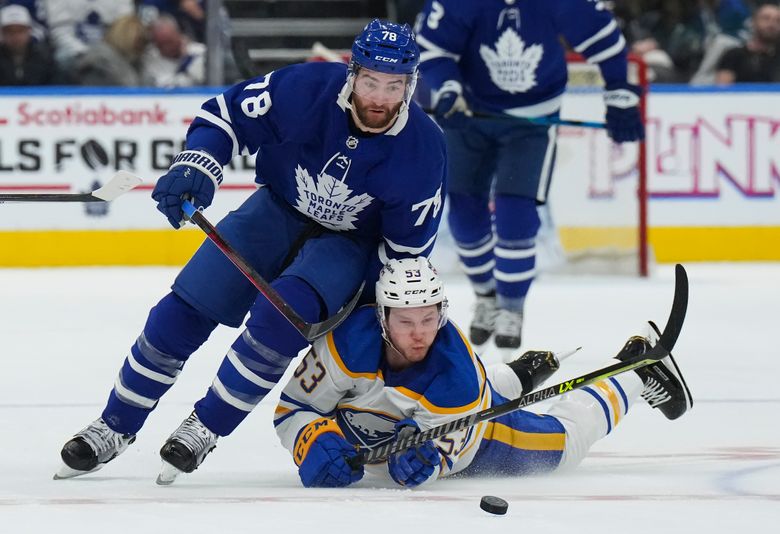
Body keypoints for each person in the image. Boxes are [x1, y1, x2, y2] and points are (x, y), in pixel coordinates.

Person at [55, 19, 447, 485]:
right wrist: (198, 162)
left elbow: (404, 254)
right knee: (182, 311)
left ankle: (206, 426)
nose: (380, 97)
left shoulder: (424, 150)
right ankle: (114, 426)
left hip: (349, 243)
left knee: (279, 321)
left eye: (393, 85)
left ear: (410, 84)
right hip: (276, 209)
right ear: (352, 74)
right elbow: (225, 114)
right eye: (370, 81)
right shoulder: (305, 88)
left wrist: (381, 317)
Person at [274, 257, 693, 488]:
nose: (419, 334)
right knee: (474, 389)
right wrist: (310, 440)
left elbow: (454, 452)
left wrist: (431, 462)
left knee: (567, 442)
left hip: (484, 438)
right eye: (405, 322)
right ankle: (518, 374)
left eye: (428, 319)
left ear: (442, 313)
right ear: (382, 319)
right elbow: (292, 409)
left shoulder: (456, 378)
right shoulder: (345, 345)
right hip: (461, 396)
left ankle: (638, 369)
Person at [414, 0, 645, 353]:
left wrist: (618, 92)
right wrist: (448, 87)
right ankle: (486, 295)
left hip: (532, 123)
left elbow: (603, 38)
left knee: (516, 213)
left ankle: (512, 308)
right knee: (463, 210)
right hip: (469, 116)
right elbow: (432, 47)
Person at [715, 3, 780, 83]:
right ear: (754, 21)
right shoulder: (734, 55)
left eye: (778, 20)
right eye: (766, 18)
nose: (772, 24)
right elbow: (722, 90)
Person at [0, 3, 58, 85]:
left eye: (20, 31)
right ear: (2, 33)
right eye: (10, 31)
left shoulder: (45, 58)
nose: (15, 36)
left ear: (29, 31)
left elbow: (59, 88)